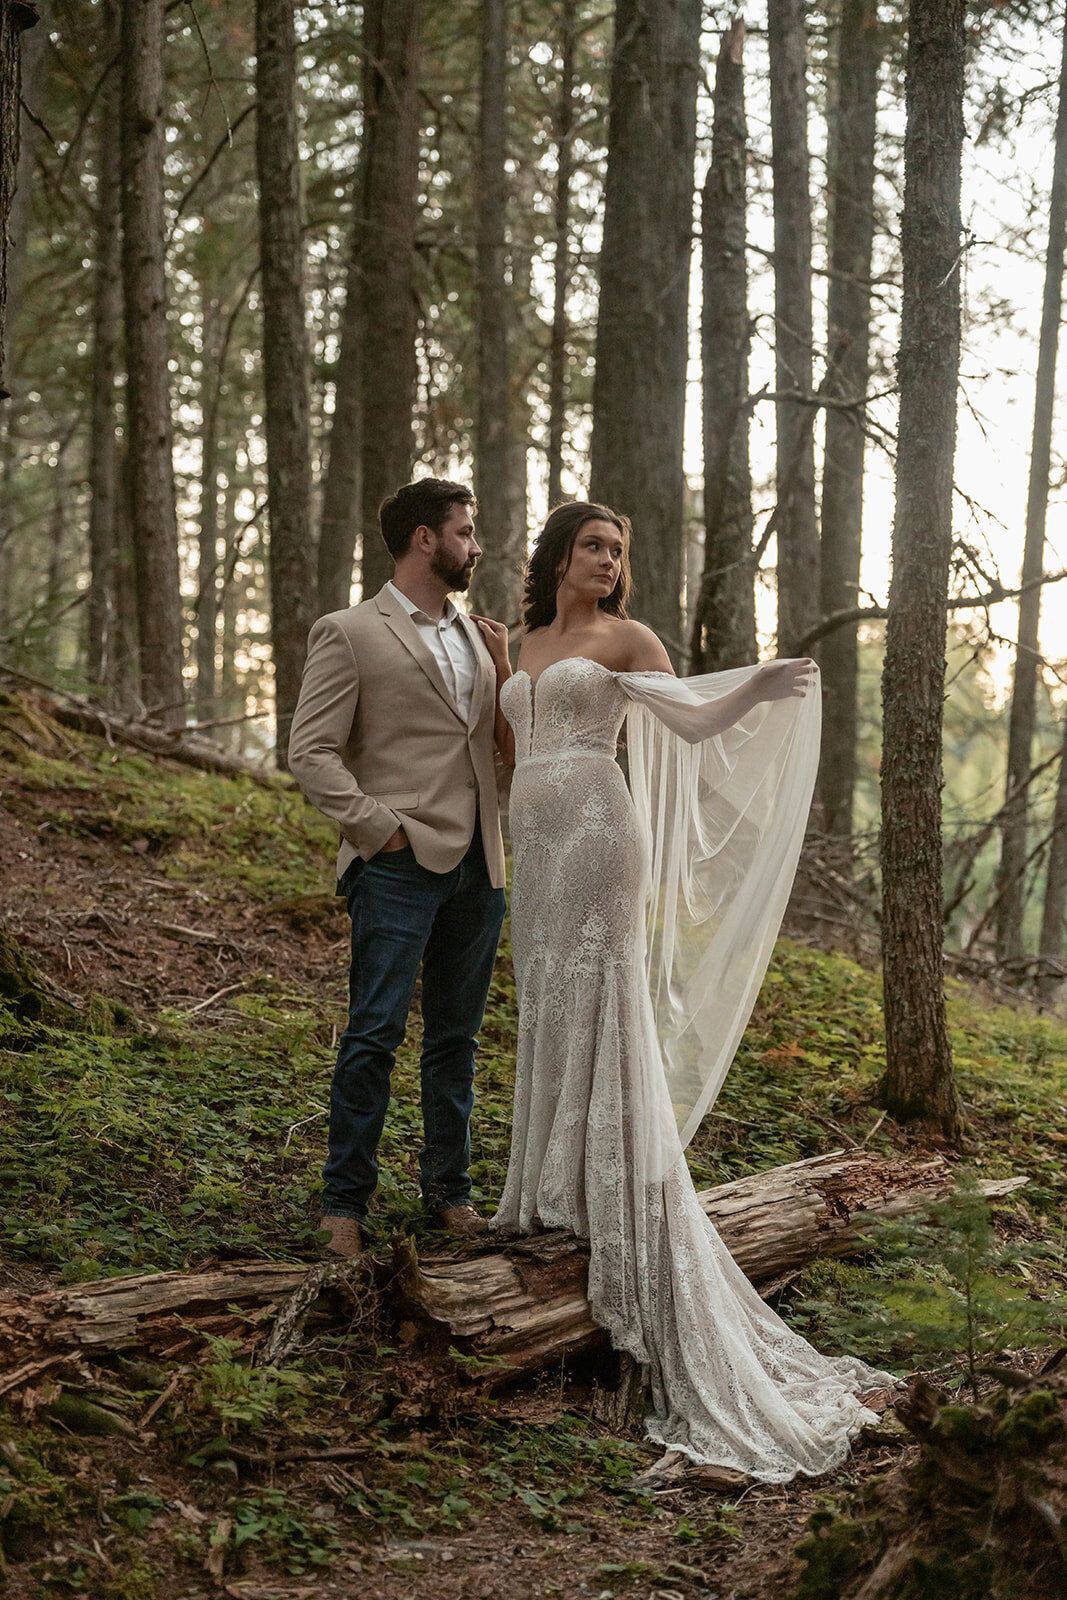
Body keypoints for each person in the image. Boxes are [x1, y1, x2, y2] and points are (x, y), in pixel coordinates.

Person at [473, 502, 893, 1484]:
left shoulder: (629, 639)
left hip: (595, 827)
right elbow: (503, 752)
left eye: (619, 549)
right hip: (530, 839)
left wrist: (757, 685)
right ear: (558, 555)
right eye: (593, 546)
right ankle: (547, 1179)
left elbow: (690, 720)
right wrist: (497, 676)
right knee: (546, 998)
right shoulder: (527, 640)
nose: (609, 562)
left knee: (596, 995)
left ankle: (603, 1184)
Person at [288, 479, 507, 1258]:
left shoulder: (483, 637)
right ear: (425, 538)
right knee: (374, 1035)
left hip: (481, 866)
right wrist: (379, 830)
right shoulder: (349, 631)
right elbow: (310, 751)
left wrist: (506, 668)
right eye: (466, 532)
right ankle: (343, 1204)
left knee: (457, 1039)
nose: (476, 547)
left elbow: (493, 747)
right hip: (397, 864)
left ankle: (449, 1192)